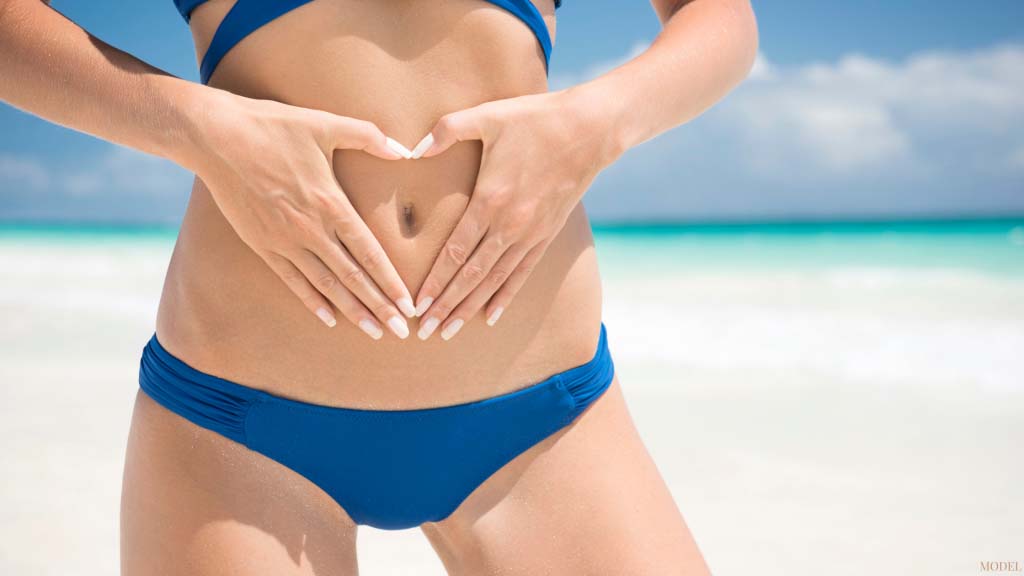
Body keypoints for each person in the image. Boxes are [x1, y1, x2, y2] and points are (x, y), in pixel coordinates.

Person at [0, 0, 758, 573]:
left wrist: (596, 123)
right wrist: (195, 124)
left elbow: (720, 20)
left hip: (548, 424)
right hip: (239, 434)